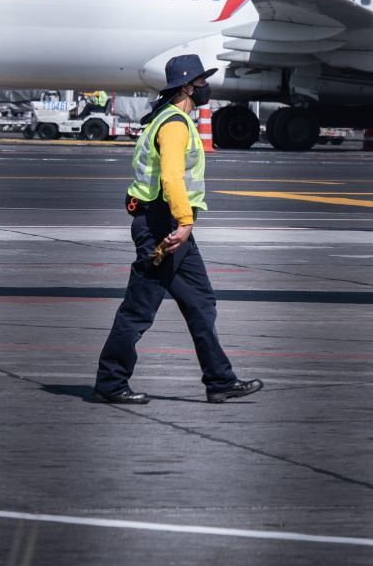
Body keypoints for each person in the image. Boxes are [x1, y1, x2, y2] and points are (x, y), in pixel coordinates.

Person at [93, 54, 261, 405]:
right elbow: (171, 177)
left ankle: (220, 380)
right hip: (164, 226)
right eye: (201, 82)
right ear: (187, 86)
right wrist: (184, 222)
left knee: (201, 303)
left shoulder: (166, 118)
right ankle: (111, 382)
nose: (206, 88)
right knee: (139, 308)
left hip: (168, 224)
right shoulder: (174, 125)